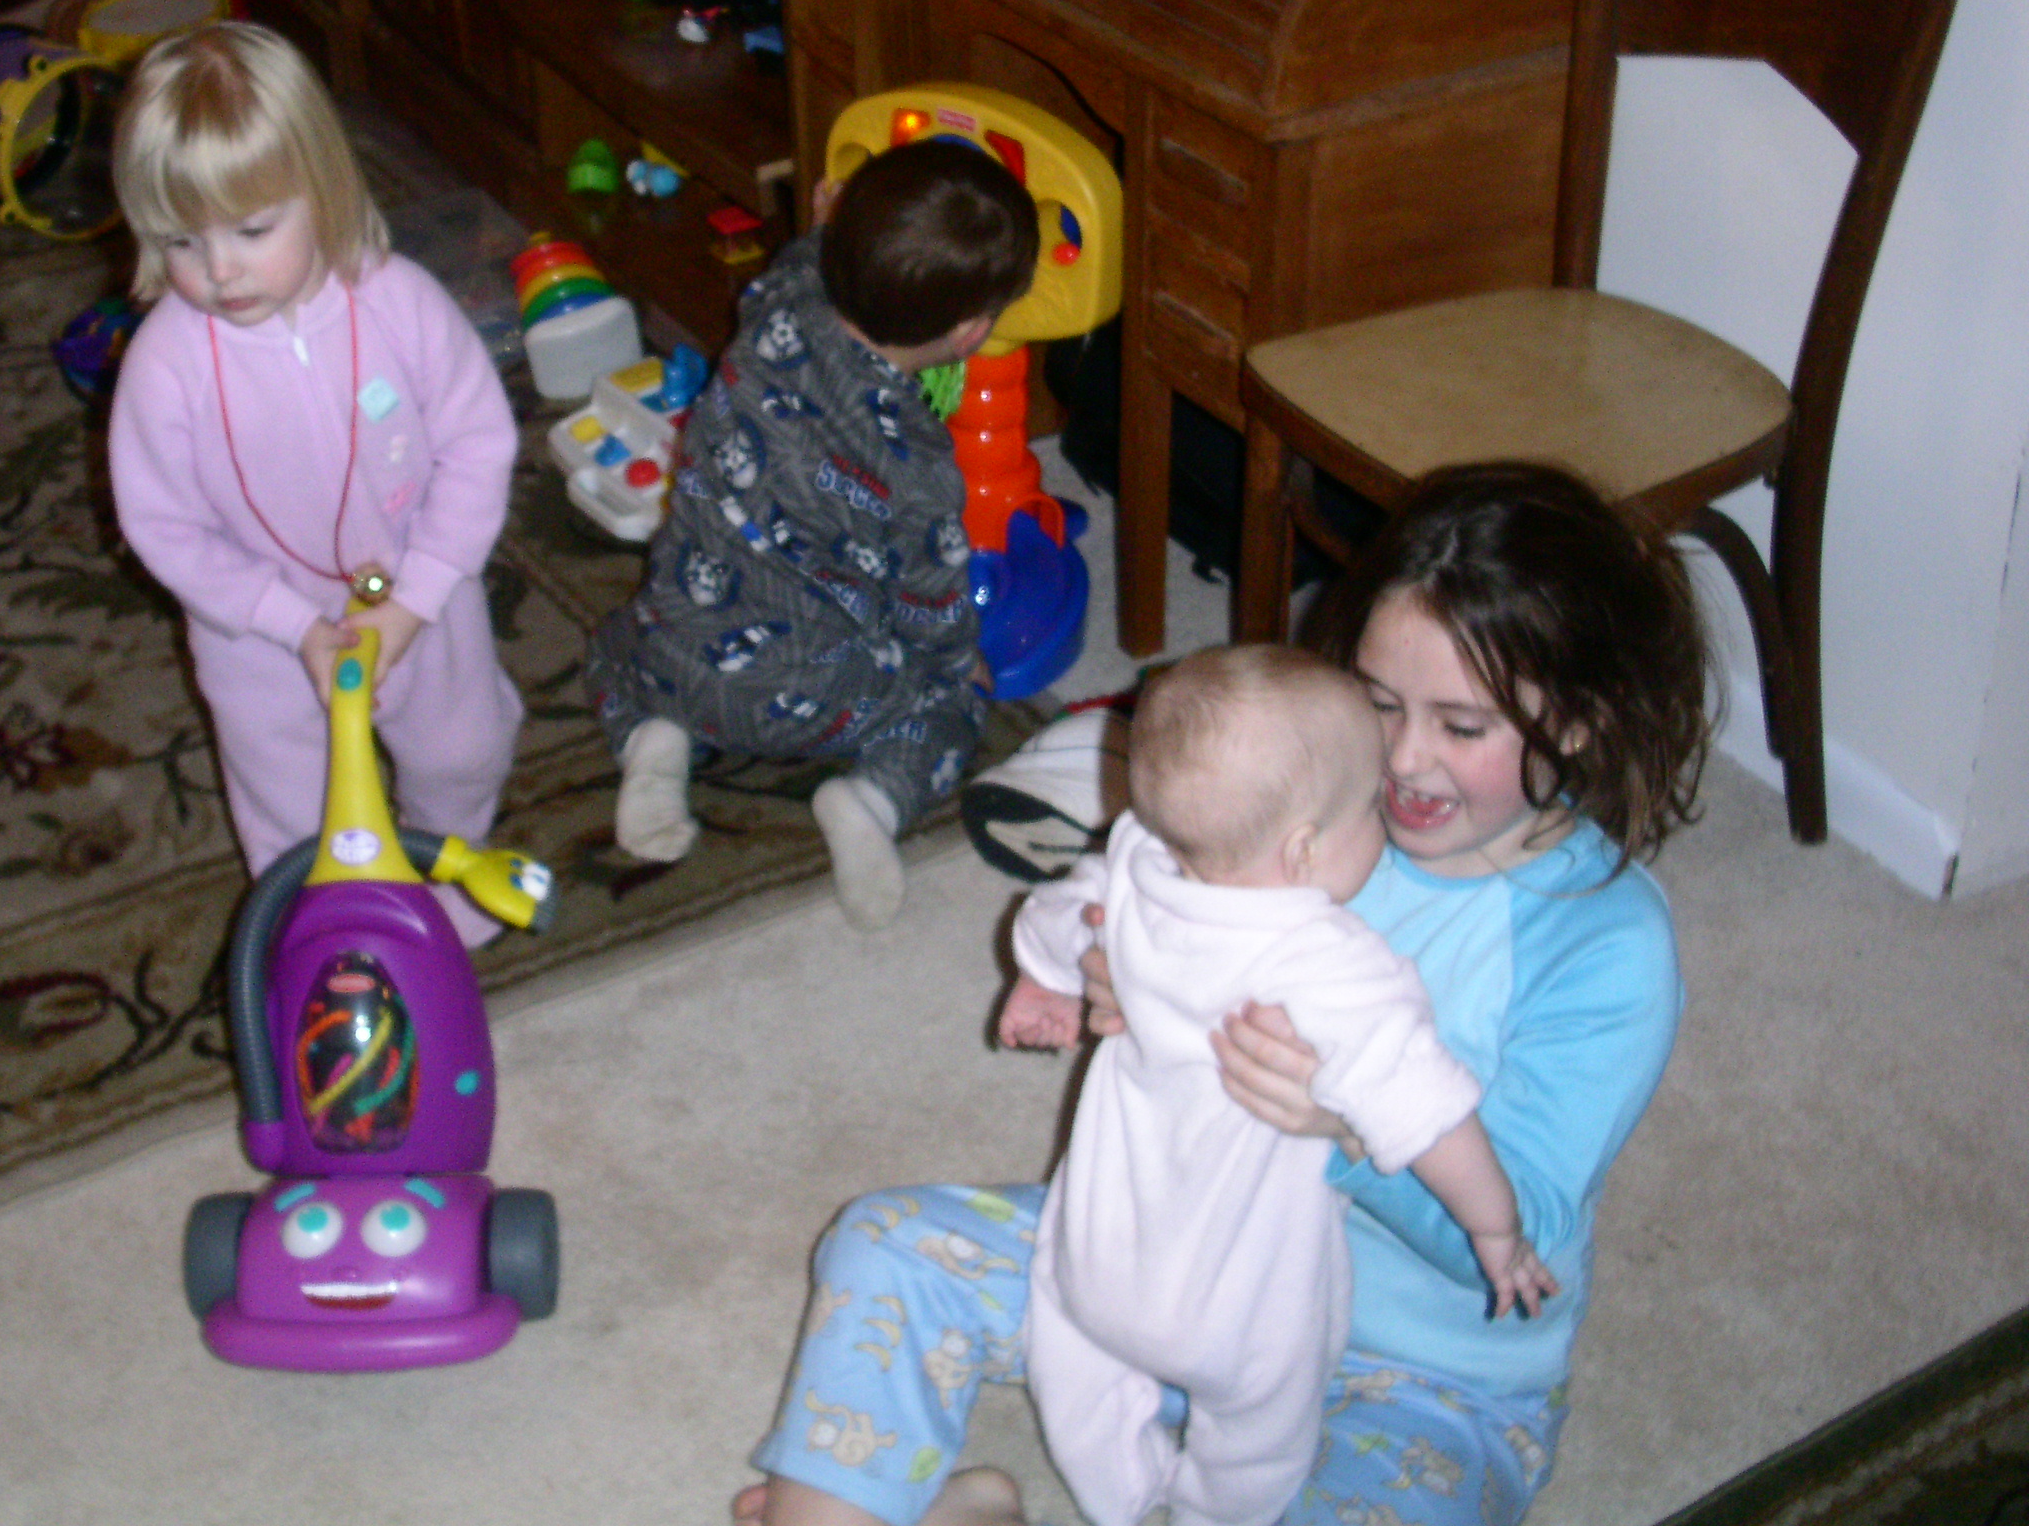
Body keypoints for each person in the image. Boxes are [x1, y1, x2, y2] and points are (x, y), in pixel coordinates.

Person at [737, 461, 1711, 1526]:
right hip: (1166, 1277)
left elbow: (1522, 1227)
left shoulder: (1605, 943)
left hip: (1423, 1383)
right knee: (885, 1243)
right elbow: (1145, 917)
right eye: (1379, 705)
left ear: (1579, 720)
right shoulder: (1305, 805)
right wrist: (1121, 986)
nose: (1403, 761)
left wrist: (1339, 1128)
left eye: (1463, 727)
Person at [997, 645, 1557, 1526]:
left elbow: (1062, 910)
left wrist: (1043, 981)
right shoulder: (1328, 963)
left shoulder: (1141, 858)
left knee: (1073, 1364)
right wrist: (1495, 1226)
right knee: (1258, 1445)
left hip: (1096, 1256)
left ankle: (1118, 1493)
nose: (1383, 817)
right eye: (1368, 809)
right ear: (1302, 850)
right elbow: (1429, 1113)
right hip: (1239, 1311)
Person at [106, 21, 523, 945]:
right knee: (289, 796)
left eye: (253, 230)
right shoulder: (165, 365)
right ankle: (321, 922)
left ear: (324, 188)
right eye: (180, 240)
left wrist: (415, 600)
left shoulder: (401, 303)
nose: (219, 269)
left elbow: (477, 445)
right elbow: (164, 526)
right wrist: (290, 624)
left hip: (416, 587)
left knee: (463, 748)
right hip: (257, 628)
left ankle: (448, 862)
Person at [585, 140, 1039, 930]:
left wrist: (826, 226)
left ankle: (652, 740)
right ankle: (871, 800)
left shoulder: (780, 301)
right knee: (954, 708)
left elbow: (807, 259)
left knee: (610, 647)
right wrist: (956, 660)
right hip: (819, 698)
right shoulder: (919, 464)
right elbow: (928, 598)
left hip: (678, 655)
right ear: (969, 332)